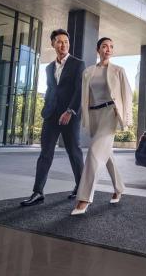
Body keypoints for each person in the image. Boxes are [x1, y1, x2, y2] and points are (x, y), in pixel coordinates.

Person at [20, 29, 85, 206]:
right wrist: (45, 108)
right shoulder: (49, 67)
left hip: (70, 116)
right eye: (59, 42)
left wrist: (70, 111)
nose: (63, 45)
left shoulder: (78, 64)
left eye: (66, 41)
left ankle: (81, 187)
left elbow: (80, 91)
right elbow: (51, 89)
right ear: (53, 44)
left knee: (74, 151)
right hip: (51, 115)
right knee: (45, 153)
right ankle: (37, 192)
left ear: (69, 44)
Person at [71, 37, 132, 215]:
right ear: (98, 50)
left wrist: (126, 119)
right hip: (94, 115)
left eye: (111, 47)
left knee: (94, 153)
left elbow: (127, 96)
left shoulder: (118, 71)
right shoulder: (88, 72)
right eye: (104, 46)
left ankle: (84, 198)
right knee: (106, 155)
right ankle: (119, 187)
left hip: (110, 113)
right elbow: (85, 96)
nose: (108, 49)